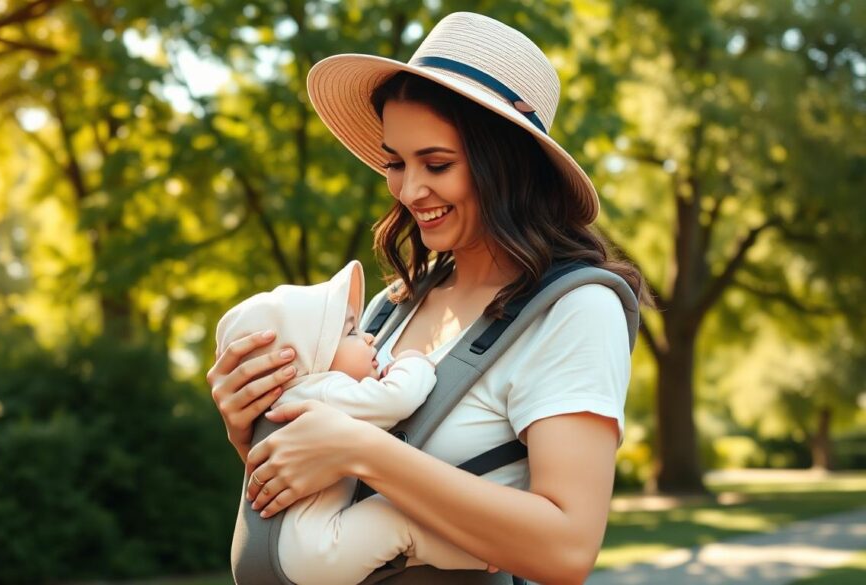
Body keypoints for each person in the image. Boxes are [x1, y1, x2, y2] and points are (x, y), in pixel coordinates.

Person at [208, 11, 649, 584]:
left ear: (508, 161)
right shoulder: (393, 308)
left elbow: (566, 549)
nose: (410, 191)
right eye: (395, 162)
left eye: (437, 163)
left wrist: (358, 447)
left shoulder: (573, 311)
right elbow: (327, 518)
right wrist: (257, 429)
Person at [215, 260, 493, 584]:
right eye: (350, 331)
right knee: (397, 521)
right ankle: (478, 551)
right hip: (317, 549)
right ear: (309, 358)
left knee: (392, 524)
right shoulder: (322, 390)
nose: (370, 338)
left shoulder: (288, 400)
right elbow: (397, 400)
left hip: (300, 550)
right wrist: (415, 363)